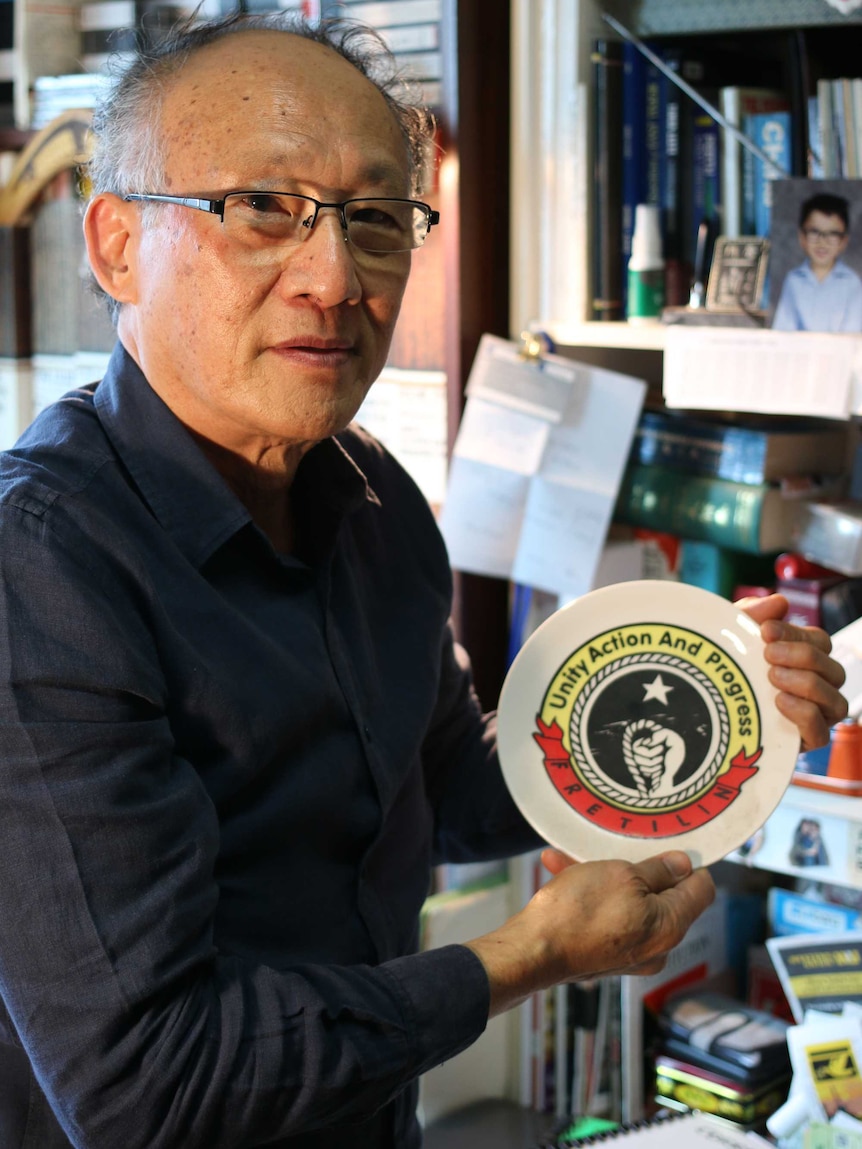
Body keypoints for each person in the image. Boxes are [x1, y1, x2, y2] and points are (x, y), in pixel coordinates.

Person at [0, 13, 847, 1149]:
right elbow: (149, 1086)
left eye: (377, 219)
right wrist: (528, 955)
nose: (334, 276)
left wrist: (703, 684)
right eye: (261, 208)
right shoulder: (39, 571)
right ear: (114, 245)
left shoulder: (373, 499)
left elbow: (445, 787)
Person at [772, 191, 862, 332]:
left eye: (832, 234)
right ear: (802, 237)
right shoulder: (793, 280)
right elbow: (784, 330)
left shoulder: (852, 283)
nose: (822, 242)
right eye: (814, 232)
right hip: (801, 352)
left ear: (843, 241)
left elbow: (853, 335)